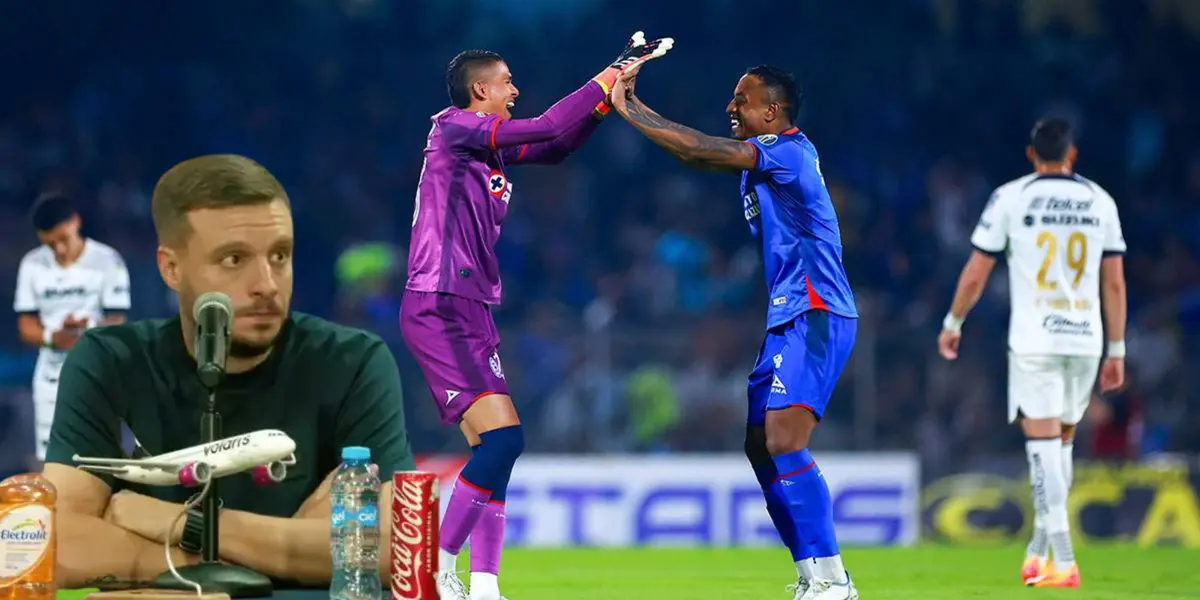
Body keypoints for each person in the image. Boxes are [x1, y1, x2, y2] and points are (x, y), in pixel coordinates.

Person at [42, 154, 415, 589]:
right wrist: (265, 560)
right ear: (171, 268)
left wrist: (179, 523)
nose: (267, 284)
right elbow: (58, 545)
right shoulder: (109, 361)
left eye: (280, 255)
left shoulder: (352, 361)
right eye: (234, 259)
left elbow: (395, 550)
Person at [399, 32, 672, 600]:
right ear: (480, 89)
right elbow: (548, 126)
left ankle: (485, 585)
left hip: (471, 307)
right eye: (506, 82)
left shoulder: (485, 147)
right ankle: (436, 565)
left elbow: (557, 145)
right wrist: (608, 70)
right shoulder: (454, 127)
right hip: (440, 301)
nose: (515, 90)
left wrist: (608, 97)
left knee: (495, 452)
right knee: (505, 442)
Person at [610, 64, 859, 600]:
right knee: (759, 446)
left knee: (784, 442)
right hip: (785, 316)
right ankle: (811, 575)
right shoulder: (765, 158)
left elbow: (698, 149)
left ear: (771, 111)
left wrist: (627, 109)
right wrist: (631, 99)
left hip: (817, 311)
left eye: (741, 99)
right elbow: (692, 150)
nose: (731, 107)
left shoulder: (788, 151)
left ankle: (835, 580)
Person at [937, 117, 1127, 589]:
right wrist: (1117, 348)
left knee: (1041, 445)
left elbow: (977, 273)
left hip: (1035, 339)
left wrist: (953, 321)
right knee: (1060, 443)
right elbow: (1115, 282)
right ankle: (1038, 550)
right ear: (1072, 154)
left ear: (1031, 154)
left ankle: (1063, 558)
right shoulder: (1099, 200)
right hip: (1085, 338)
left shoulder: (1011, 197)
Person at [14, 193, 130, 465]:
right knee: (49, 457)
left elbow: (117, 319)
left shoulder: (108, 260)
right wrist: (52, 337)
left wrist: (86, 330)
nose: (59, 250)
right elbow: (25, 324)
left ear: (75, 222)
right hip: (50, 377)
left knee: (100, 453)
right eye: (50, 244)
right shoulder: (31, 264)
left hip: (97, 372)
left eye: (63, 239)